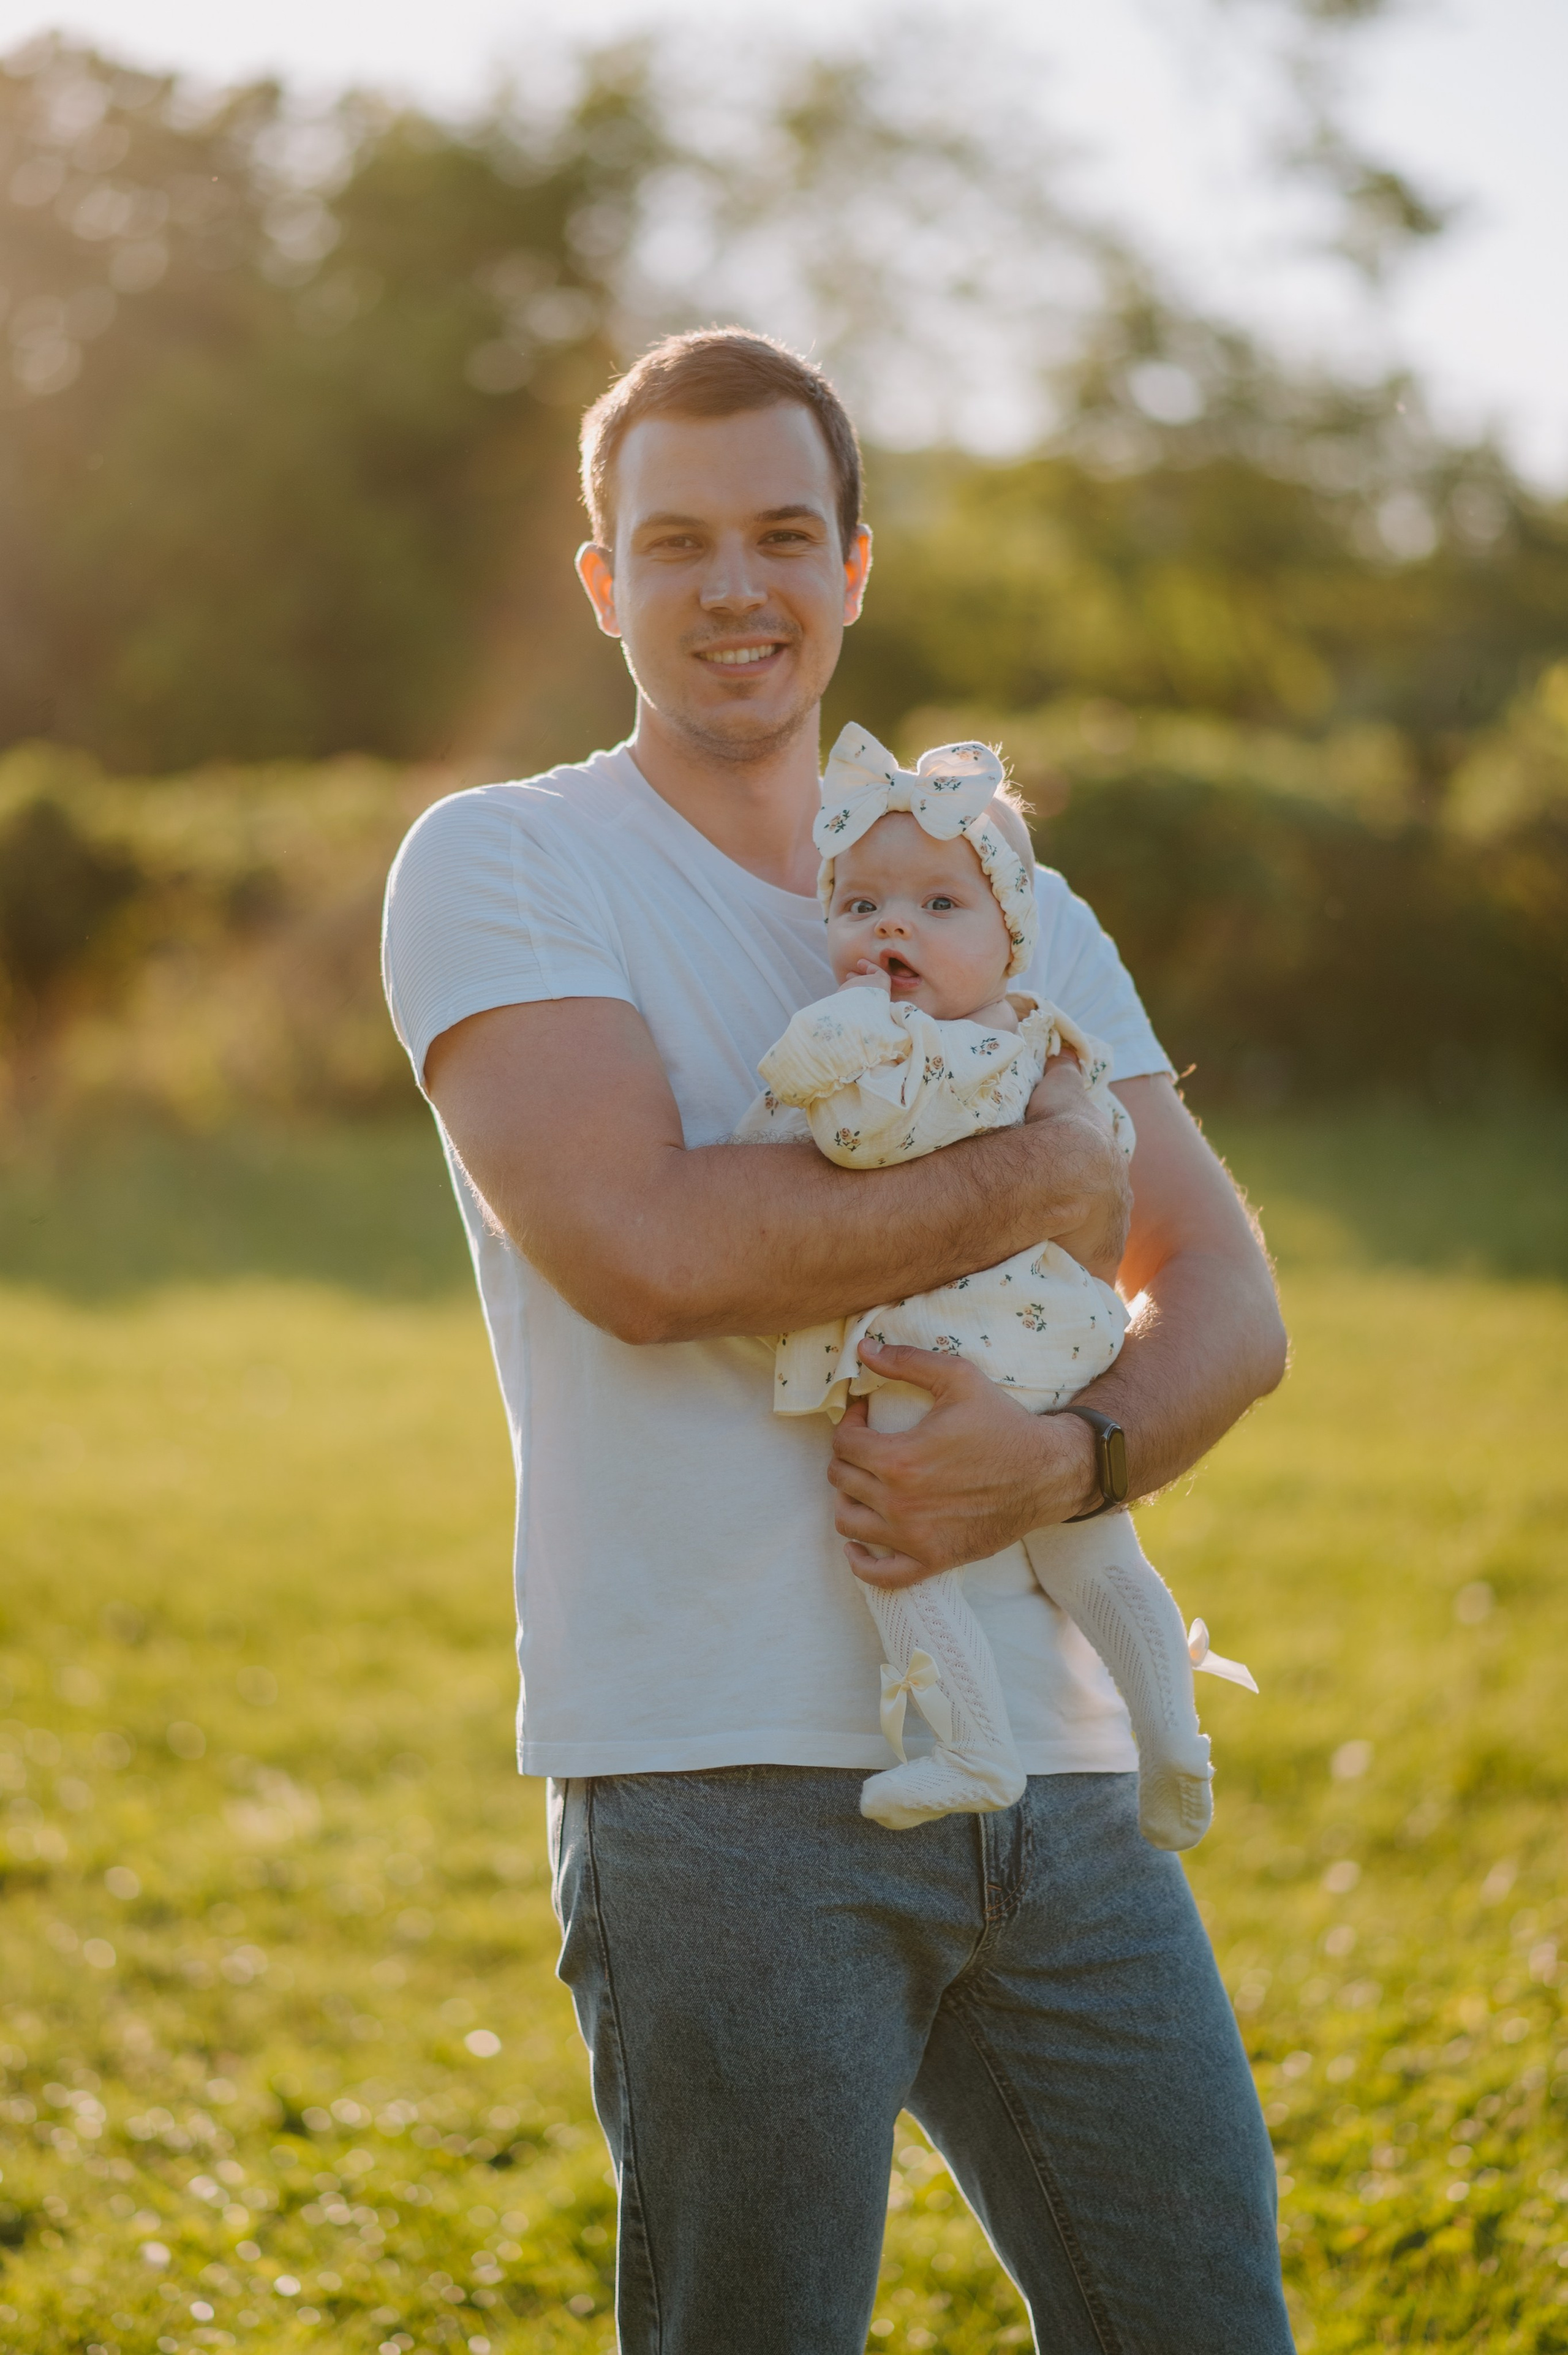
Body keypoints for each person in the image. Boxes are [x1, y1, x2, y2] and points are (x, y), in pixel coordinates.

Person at [382, 328, 1294, 2354]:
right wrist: (1041, 1174)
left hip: (1058, 1772)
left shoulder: (1004, 895)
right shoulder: (506, 862)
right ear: (602, 581)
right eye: (676, 542)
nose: (738, 585)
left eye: (786, 534)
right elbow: (644, 1251)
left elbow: (1228, 1298)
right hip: (717, 1782)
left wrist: (1068, 1459)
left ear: (855, 568)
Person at [739, 723, 1254, 1844]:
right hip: (1068, 1344)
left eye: (939, 906)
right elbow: (1104, 1166)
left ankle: (973, 1747)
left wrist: (815, 1064)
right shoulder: (1044, 1044)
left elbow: (856, 1148)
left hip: (942, 1347)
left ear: (1011, 938)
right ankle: (1174, 1738)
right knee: (1094, 1545)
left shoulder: (913, 1044)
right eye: (860, 905)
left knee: (894, 1538)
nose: (892, 929)